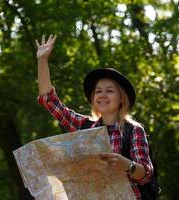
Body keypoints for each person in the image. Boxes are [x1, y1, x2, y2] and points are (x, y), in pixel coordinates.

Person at [35, 34, 153, 200]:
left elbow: (145, 174)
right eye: (98, 91)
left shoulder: (132, 130)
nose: (102, 95)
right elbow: (49, 101)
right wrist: (42, 61)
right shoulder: (84, 127)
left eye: (110, 91)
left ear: (121, 99)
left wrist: (127, 165)